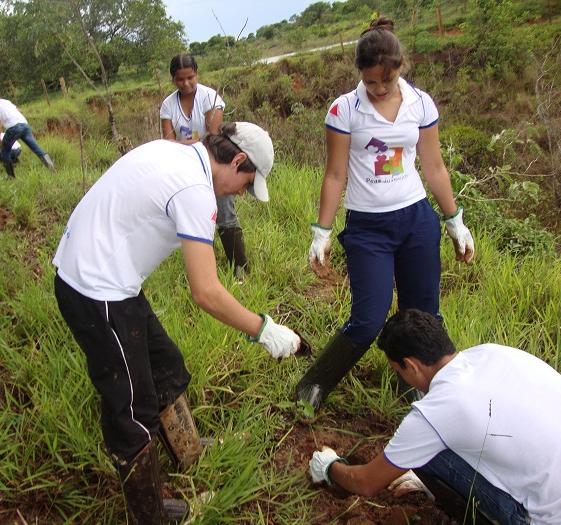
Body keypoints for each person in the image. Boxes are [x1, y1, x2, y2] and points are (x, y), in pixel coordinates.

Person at [52, 122, 302, 524]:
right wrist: (263, 329)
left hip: (111, 278)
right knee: (132, 411)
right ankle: (150, 516)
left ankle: (188, 450)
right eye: (246, 183)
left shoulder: (177, 152)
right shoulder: (195, 191)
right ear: (237, 160)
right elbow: (205, 292)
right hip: (95, 290)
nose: (241, 193)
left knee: (165, 364)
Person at [295, 16, 475, 415]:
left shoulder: (420, 103)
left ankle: (416, 389)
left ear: (400, 69)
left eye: (386, 82)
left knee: (423, 314)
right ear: (359, 72)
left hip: (416, 220)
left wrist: (453, 221)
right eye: (370, 81)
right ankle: (314, 384)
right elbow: (335, 173)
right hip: (368, 227)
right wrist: (321, 231)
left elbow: (434, 167)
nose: (377, 90)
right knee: (368, 318)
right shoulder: (344, 109)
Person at [309, 309, 561, 525]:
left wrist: (330, 467)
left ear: (412, 365)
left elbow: (364, 482)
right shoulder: (492, 352)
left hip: (544, 516)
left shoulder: (434, 413)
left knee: (422, 450)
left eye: (399, 371)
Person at [160, 54, 251, 281]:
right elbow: (167, 143)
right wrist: (191, 144)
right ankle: (204, 273)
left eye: (190, 77)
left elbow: (214, 136)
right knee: (195, 218)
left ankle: (240, 270)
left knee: (225, 215)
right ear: (173, 79)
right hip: (185, 169)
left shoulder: (210, 97)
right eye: (180, 79)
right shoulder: (168, 105)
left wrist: (184, 145)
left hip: (214, 166)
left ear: (197, 74)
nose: (186, 83)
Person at [0, 87, 55, 177]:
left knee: (4, 151)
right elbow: (20, 110)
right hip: (24, 124)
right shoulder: (4, 101)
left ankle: (11, 177)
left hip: (13, 128)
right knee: (36, 148)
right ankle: (52, 169)